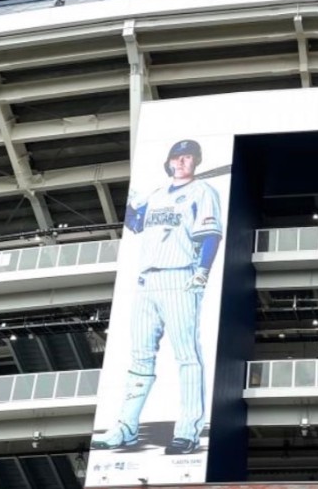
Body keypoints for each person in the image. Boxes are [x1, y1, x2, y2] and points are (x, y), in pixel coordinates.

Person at [93, 138, 222, 455]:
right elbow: (138, 226)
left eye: (189, 157)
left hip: (180, 275)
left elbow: (211, 234)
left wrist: (203, 270)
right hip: (146, 280)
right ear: (169, 162)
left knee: (187, 356)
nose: (182, 162)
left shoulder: (203, 191)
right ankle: (125, 427)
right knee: (140, 357)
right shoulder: (156, 194)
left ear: (196, 162)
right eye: (178, 157)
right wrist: (131, 206)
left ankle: (188, 430)